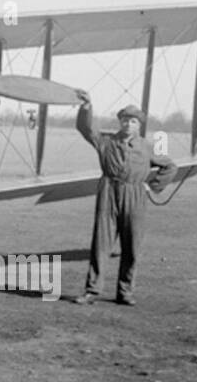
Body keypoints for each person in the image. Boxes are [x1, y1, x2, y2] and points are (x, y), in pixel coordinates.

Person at [72, 94, 176, 307]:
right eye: (126, 120)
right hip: (108, 192)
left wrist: (152, 185)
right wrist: (86, 107)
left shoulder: (147, 147)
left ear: (139, 125)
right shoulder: (106, 141)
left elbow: (170, 166)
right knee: (101, 244)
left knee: (132, 246)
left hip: (135, 195)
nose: (129, 124)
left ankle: (125, 292)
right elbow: (85, 128)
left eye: (134, 121)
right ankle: (92, 291)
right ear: (120, 122)